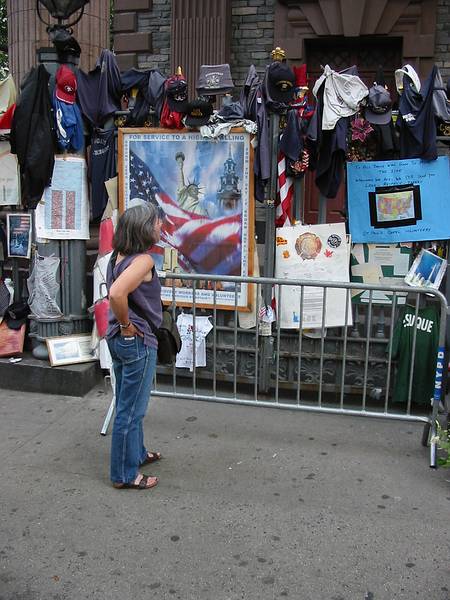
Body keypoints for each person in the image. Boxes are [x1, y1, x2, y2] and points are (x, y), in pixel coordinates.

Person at [106, 203, 163, 490]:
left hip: (118, 339)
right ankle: (124, 475)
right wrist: (128, 324)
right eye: (156, 223)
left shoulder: (117, 256)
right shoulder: (143, 261)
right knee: (131, 411)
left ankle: (137, 454)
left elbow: (117, 292)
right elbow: (117, 293)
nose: (160, 226)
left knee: (130, 405)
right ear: (144, 228)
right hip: (135, 340)